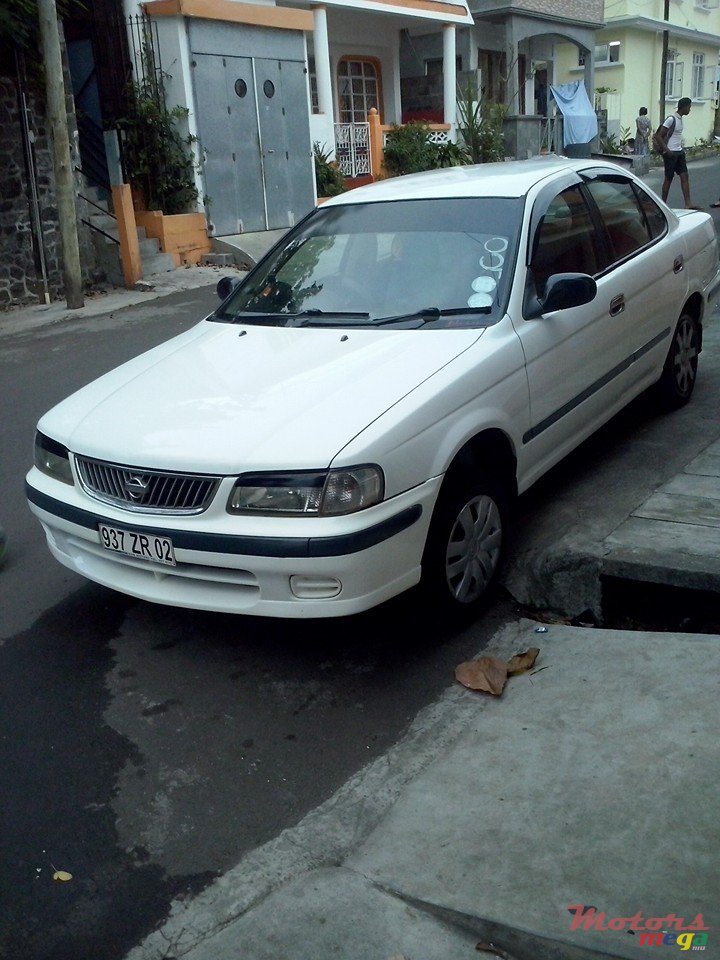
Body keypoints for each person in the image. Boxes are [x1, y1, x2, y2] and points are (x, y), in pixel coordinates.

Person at [658, 97, 694, 208]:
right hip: (671, 153)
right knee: (668, 178)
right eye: (689, 107)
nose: (690, 109)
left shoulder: (680, 119)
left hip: (679, 152)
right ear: (684, 107)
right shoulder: (671, 119)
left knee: (684, 176)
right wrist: (667, 150)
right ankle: (663, 204)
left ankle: (688, 204)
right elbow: (658, 136)